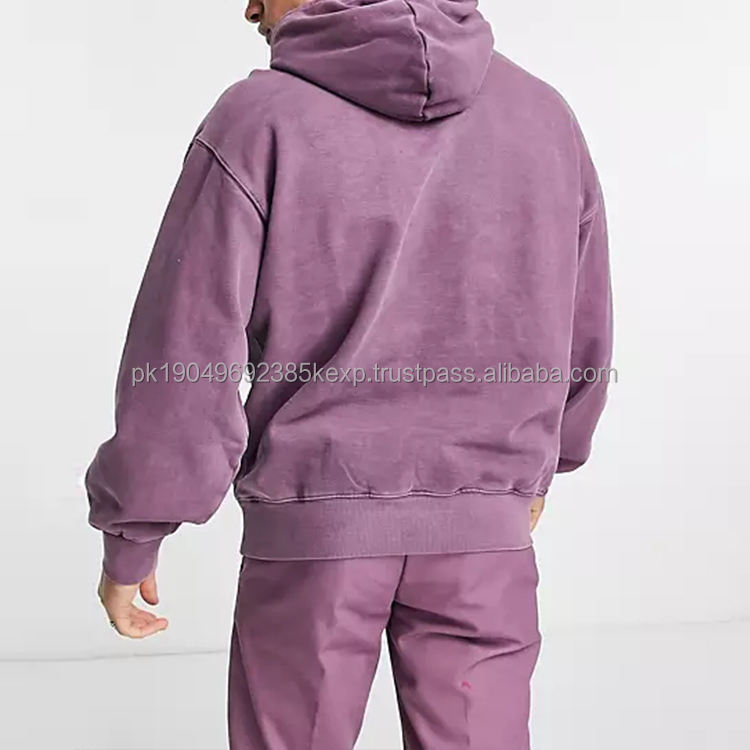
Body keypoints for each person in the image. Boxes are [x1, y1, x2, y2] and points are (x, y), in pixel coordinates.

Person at [86, 0, 613, 748]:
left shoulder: (259, 120)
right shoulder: (543, 117)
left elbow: (184, 349)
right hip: (483, 533)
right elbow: (584, 325)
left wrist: (136, 527)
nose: (249, 8)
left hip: (315, 534)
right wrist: (537, 467)